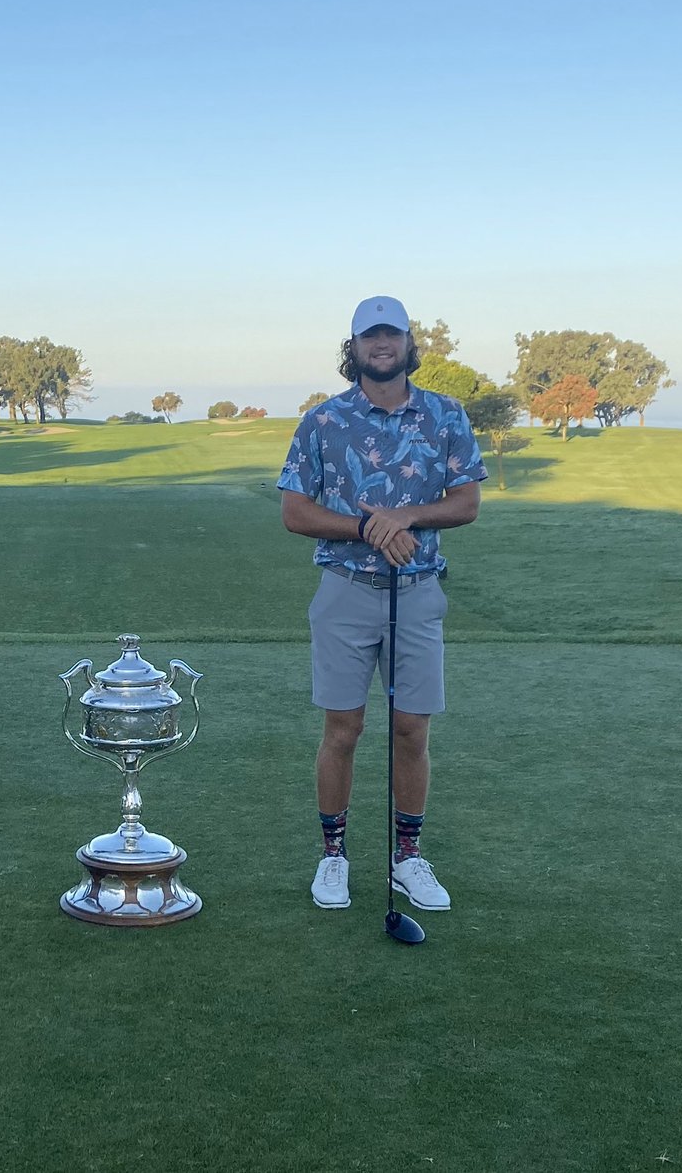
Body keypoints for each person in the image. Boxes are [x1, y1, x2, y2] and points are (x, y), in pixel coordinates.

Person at [277, 295, 486, 913]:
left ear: (407, 343)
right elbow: (295, 511)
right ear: (355, 348)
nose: (381, 345)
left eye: (391, 334)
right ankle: (334, 855)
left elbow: (467, 501)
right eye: (370, 337)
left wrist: (406, 516)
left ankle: (407, 859)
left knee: (410, 728)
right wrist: (368, 528)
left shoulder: (445, 416)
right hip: (346, 591)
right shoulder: (323, 421)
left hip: (418, 593)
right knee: (343, 728)